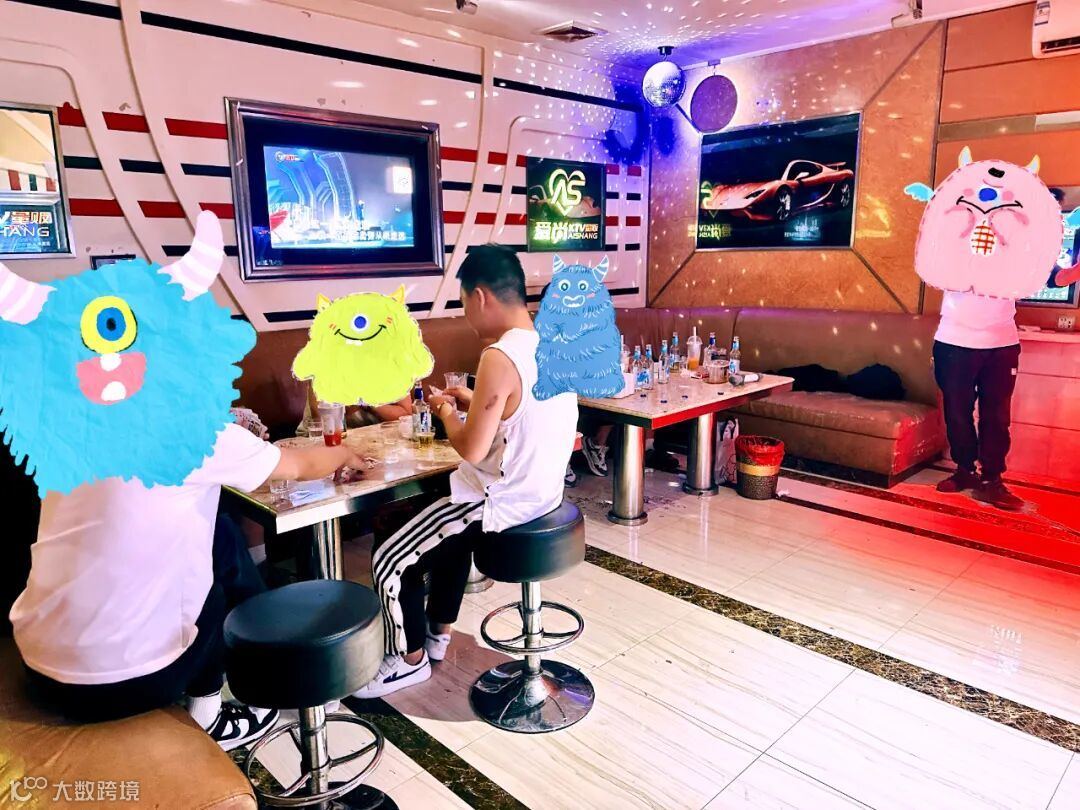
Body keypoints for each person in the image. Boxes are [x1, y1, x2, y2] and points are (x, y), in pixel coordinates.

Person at [10, 428, 366, 750]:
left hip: (39, 665)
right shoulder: (194, 431)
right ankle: (210, 717)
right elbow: (302, 466)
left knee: (220, 537)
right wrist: (344, 453)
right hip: (125, 687)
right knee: (208, 589)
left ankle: (267, 662)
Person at [353, 245, 578, 698]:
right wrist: (474, 403)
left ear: (480, 296)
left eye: (462, 303)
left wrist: (443, 411)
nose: (466, 316)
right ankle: (436, 636)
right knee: (442, 537)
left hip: (501, 502)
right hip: (542, 494)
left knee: (389, 560)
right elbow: (522, 415)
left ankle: (406, 662)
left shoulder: (499, 354)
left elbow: (472, 448)